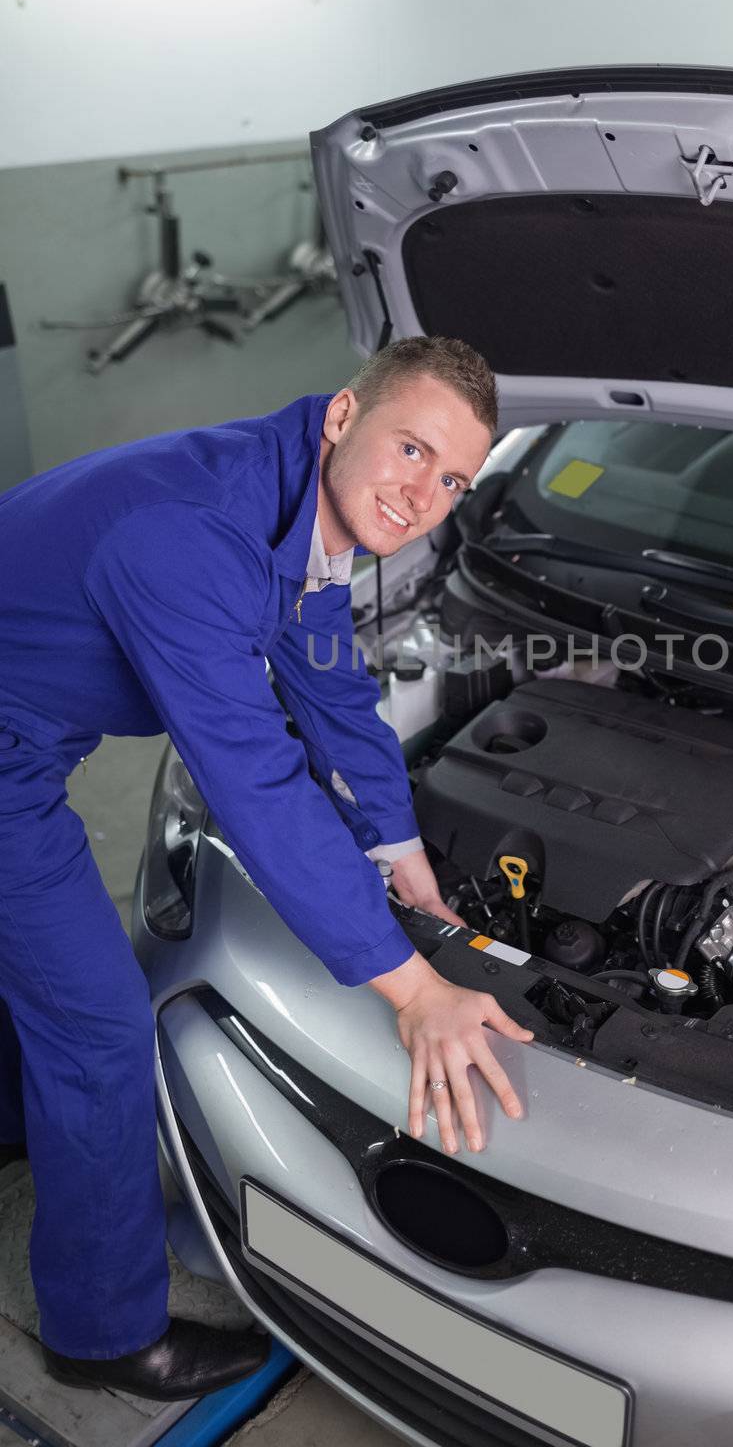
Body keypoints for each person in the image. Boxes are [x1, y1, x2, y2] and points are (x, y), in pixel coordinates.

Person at [0, 335, 534, 1400]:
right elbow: (257, 783)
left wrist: (398, 850)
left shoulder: (300, 503)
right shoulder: (191, 542)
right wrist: (412, 985)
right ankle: (102, 1334)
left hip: (24, 727)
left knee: (43, 984)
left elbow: (329, 689)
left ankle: (23, 1132)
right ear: (344, 416)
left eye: (453, 478)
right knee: (101, 1022)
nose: (421, 494)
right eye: (410, 448)